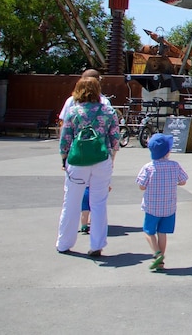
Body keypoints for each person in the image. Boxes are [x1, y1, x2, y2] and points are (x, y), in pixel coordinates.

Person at [56, 77, 120, 257]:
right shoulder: (109, 111)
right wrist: (111, 160)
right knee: (98, 203)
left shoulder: (73, 111)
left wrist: (64, 159)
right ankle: (97, 244)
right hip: (101, 159)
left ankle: (64, 242)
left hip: (77, 161)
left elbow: (65, 139)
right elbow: (115, 140)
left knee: (71, 202)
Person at [137, 133, 188, 271]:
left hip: (152, 206)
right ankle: (161, 261)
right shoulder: (175, 165)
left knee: (148, 231)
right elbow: (183, 181)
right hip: (169, 206)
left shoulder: (148, 167)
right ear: (168, 151)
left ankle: (156, 253)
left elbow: (141, 185)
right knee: (162, 233)